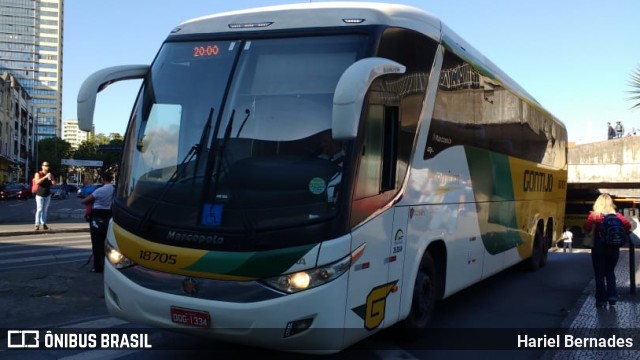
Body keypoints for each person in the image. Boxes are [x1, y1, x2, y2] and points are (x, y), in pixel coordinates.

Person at [583, 193, 631, 308]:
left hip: (599, 247)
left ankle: (601, 300)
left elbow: (586, 228)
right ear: (610, 203)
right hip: (614, 248)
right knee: (610, 272)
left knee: (599, 274)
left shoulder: (594, 216)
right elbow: (628, 226)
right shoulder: (617, 216)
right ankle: (612, 297)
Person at [81, 172, 115, 273]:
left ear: (103, 179)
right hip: (109, 215)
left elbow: (84, 201)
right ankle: (108, 265)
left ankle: (97, 267)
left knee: (97, 243)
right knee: (107, 243)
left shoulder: (100, 190)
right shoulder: (114, 189)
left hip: (97, 216)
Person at [317, 132, 345, 202]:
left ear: (335, 142)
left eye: (325, 142)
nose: (322, 145)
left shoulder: (347, 163)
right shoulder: (318, 159)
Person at [33, 161, 54, 230]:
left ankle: (44, 223)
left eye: (48, 166)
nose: (47, 167)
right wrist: (45, 177)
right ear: (42, 166)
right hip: (39, 194)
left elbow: (52, 184)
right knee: (39, 209)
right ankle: (37, 224)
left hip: (47, 194)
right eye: (45, 165)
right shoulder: (38, 173)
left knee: (45, 210)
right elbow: (37, 182)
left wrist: (52, 179)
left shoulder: (49, 175)